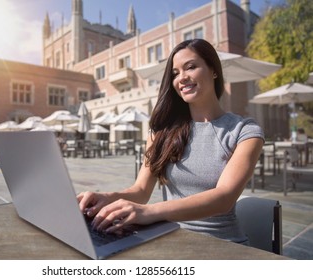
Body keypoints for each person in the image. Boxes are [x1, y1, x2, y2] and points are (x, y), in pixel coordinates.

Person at [77, 39, 264, 244]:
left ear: (213, 70)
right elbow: (140, 191)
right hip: (169, 239)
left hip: (222, 244)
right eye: (175, 73)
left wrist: (149, 212)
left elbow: (224, 198)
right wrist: (106, 197)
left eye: (191, 67)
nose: (182, 78)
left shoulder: (245, 131)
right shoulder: (161, 132)